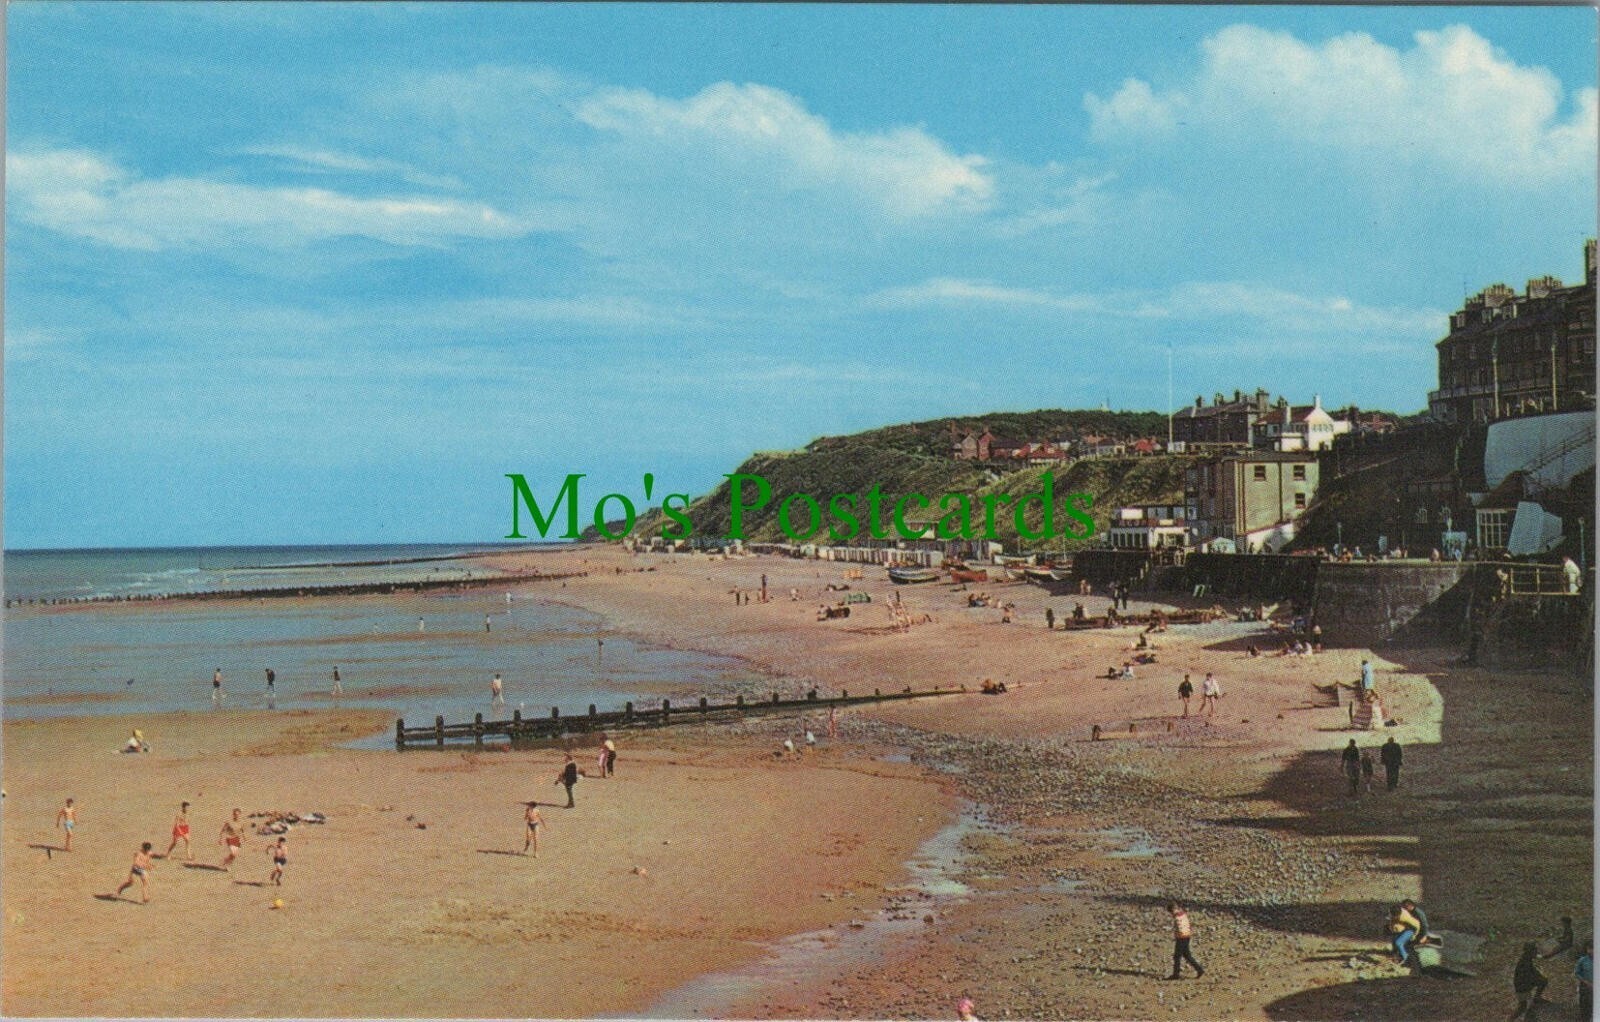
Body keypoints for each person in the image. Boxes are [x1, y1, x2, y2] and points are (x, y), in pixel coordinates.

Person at [1510, 942, 1549, 1020]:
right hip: (1522, 987)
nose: (1537, 952)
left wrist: (1539, 975)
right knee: (1522, 1006)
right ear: (1530, 952)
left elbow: (1532, 971)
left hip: (1525, 984)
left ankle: (1536, 998)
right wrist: (1537, 977)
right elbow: (1527, 976)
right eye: (1535, 950)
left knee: (1543, 980)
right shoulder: (1524, 963)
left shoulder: (1527, 958)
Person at [1166, 902, 1204, 979]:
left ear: (1172, 910)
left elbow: (1180, 928)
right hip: (1187, 936)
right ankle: (1199, 969)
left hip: (1181, 937)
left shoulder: (1177, 917)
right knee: (1187, 955)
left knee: (1177, 956)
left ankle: (1176, 974)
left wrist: (1177, 935)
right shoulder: (1183, 914)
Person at [1575, 939, 1593, 1017]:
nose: (1592, 951)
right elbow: (1577, 973)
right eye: (1590, 948)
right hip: (1585, 986)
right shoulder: (1582, 960)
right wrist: (1585, 981)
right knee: (1585, 1003)